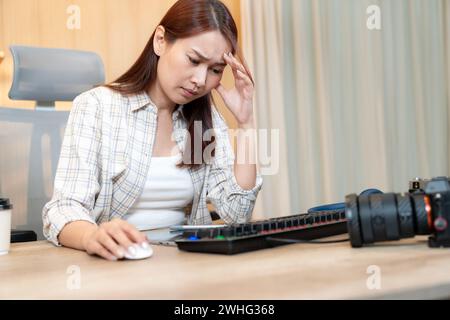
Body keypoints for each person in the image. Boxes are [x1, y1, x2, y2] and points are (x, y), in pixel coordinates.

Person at [42, 0, 263, 261]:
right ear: (161, 41)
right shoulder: (98, 106)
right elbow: (63, 208)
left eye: (215, 70)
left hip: (189, 267)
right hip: (114, 267)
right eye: (193, 60)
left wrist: (246, 123)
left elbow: (236, 214)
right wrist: (92, 236)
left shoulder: (203, 121)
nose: (201, 81)